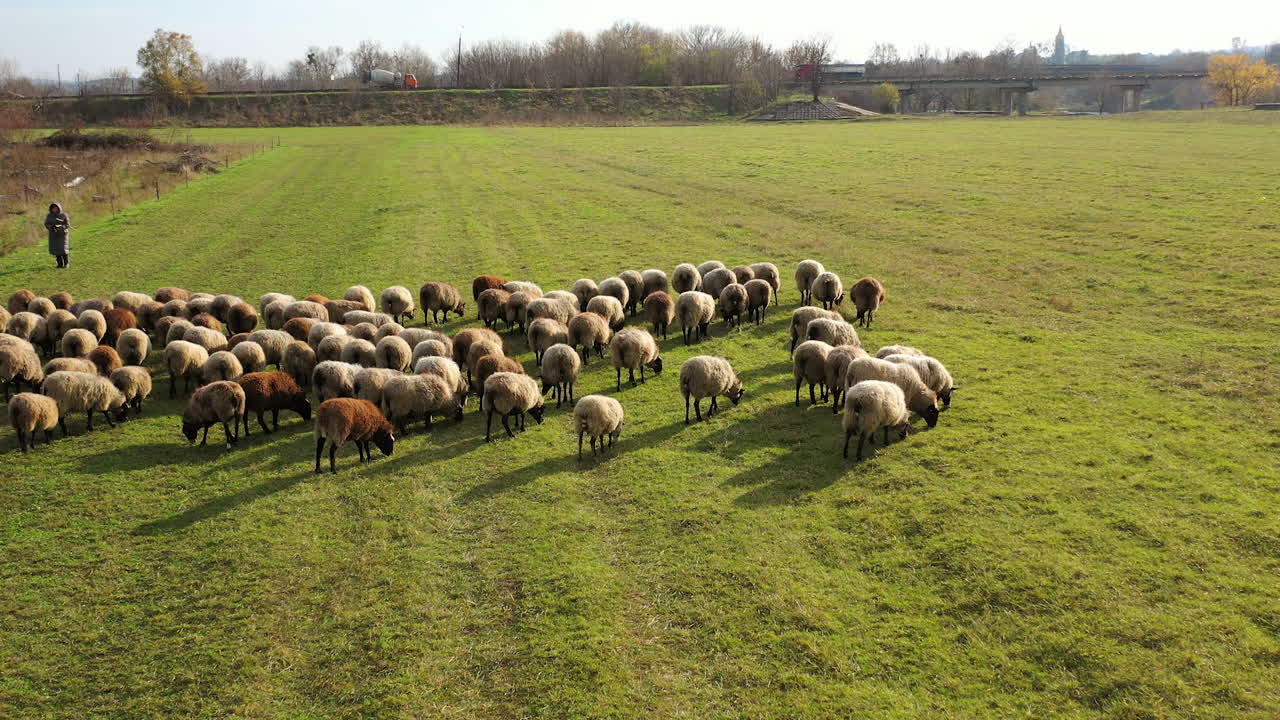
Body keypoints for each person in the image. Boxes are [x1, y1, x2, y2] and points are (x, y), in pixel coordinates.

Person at [45, 203, 71, 269]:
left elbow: (67, 224)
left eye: (56, 208)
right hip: (53, 235)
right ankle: (59, 264)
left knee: (63, 250)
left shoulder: (63, 215)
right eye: (53, 208)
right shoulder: (49, 216)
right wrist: (51, 227)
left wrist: (62, 227)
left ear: (59, 208)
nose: (54, 209)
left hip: (62, 235)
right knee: (56, 251)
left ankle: (66, 263)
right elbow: (46, 223)